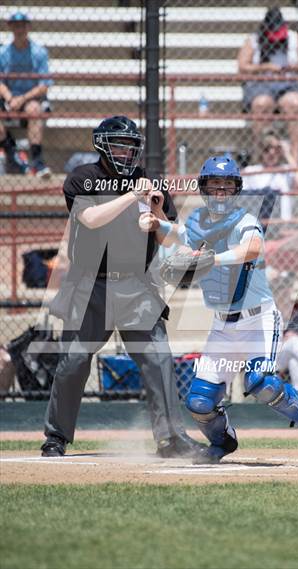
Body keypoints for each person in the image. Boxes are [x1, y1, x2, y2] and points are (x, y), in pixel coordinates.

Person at [139, 156, 298, 464]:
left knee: (261, 383)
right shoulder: (196, 220)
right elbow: (172, 236)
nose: (220, 192)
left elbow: (252, 248)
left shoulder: (244, 219)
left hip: (258, 318)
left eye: (227, 186)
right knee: (198, 401)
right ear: (204, 189)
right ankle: (223, 441)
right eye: (214, 186)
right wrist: (155, 214)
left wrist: (210, 259)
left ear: (236, 190)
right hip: (223, 326)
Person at [40, 115, 203, 459]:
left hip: (134, 284)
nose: (126, 153)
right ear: (102, 145)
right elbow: (91, 218)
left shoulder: (149, 183)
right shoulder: (84, 179)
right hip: (89, 284)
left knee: (158, 358)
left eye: (131, 147)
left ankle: (170, 437)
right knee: (73, 361)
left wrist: (157, 216)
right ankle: (56, 436)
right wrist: (132, 197)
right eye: (118, 145)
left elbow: (170, 237)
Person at [237, 7, 298, 163]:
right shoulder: (254, 40)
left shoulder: (293, 38)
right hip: (261, 85)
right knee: (262, 104)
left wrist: (292, 68)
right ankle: (260, 156)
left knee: (295, 103)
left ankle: (295, 159)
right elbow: (242, 66)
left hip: (288, 85)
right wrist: (265, 68)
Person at [0, 12, 52, 177]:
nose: (19, 29)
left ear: (28, 27)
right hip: (9, 97)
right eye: (15, 25)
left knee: (34, 109)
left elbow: (44, 86)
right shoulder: (3, 52)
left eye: (22, 25)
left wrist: (21, 98)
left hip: (29, 98)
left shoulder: (38, 52)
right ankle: (12, 155)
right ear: (10, 27)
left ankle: (37, 162)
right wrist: (9, 98)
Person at [242, 128, 298, 221]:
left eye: (276, 149)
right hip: (258, 224)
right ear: (261, 150)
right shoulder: (251, 171)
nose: (271, 153)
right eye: (266, 149)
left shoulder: (286, 169)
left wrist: (287, 154)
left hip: (281, 223)